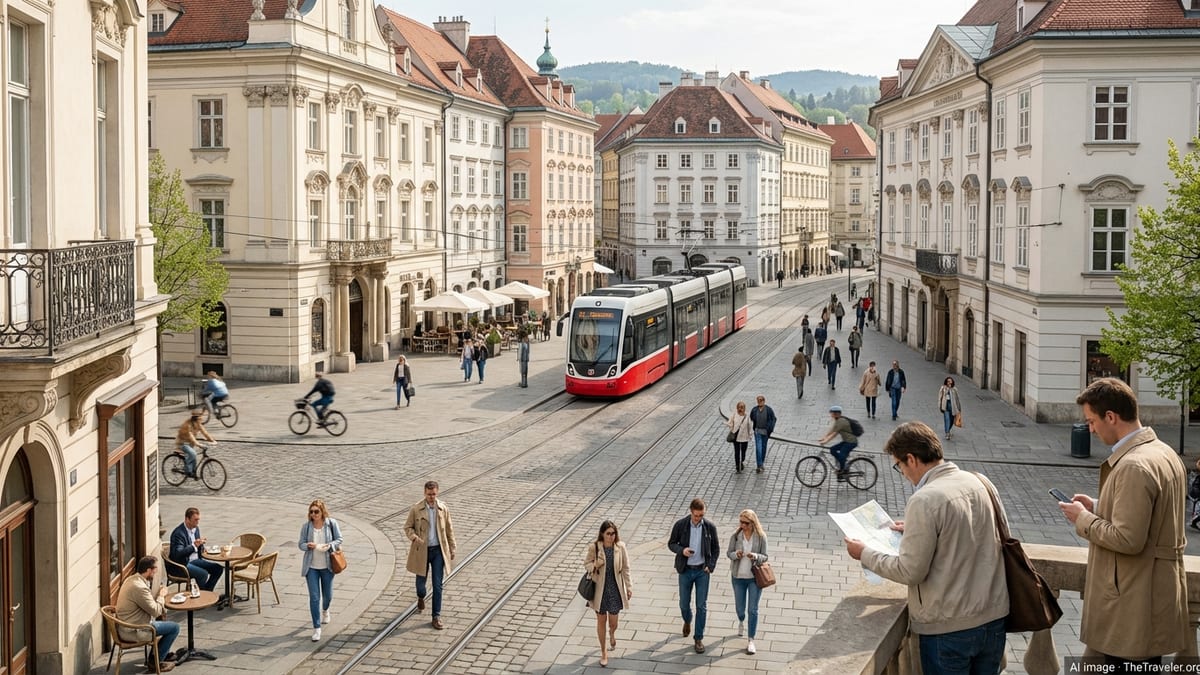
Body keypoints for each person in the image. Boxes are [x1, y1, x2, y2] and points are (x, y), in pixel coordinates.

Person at [844, 421, 1009, 675]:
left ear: (911, 459)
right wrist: (916, 530)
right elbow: (990, 537)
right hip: (994, 619)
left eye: (899, 466)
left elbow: (910, 571)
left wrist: (864, 553)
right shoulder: (980, 482)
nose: (903, 474)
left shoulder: (925, 500)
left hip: (949, 628)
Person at [1057, 378, 1188, 669]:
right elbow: (1153, 518)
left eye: (1092, 421)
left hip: (1132, 605)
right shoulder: (1164, 453)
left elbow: (1129, 539)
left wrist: (1084, 519)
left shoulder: (1133, 465)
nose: (1089, 429)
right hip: (1153, 598)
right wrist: (1098, 506)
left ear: (1111, 417)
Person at [667, 498, 719, 654]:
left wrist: (711, 566)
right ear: (691, 512)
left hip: (702, 571)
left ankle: (698, 638)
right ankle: (687, 620)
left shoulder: (709, 527)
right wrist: (681, 550)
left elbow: (716, 549)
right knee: (684, 604)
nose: (698, 518)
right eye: (696, 515)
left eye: (701, 515)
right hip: (686, 570)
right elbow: (671, 543)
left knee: (701, 606)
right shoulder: (680, 525)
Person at [404, 480, 457, 630]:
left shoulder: (443, 508)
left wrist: (452, 548)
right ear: (424, 493)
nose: (431, 497)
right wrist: (414, 537)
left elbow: (449, 529)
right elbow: (407, 527)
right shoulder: (416, 509)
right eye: (429, 494)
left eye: (434, 494)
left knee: (438, 585)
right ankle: (421, 596)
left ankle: (436, 616)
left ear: (437, 492)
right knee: (421, 584)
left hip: (438, 551)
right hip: (422, 551)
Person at [116, 556, 180, 672]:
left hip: (127, 624)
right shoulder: (139, 588)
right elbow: (155, 611)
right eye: (155, 570)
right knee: (175, 628)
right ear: (149, 570)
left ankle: (160, 652)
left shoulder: (132, 579)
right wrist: (161, 595)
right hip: (134, 630)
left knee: (163, 618)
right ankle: (155, 662)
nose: (155, 573)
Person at [584, 520, 633, 668]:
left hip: (615, 589)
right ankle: (604, 652)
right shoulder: (595, 547)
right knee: (601, 620)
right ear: (602, 534)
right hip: (600, 590)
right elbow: (587, 564)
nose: (611, 536)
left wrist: (629, 587)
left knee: (613, 622)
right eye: (608, 534)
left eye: (613, 533)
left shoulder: (620, 547)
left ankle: (612, 633)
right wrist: (596, 565)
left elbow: (626, 568)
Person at [298, 499, 343, 641]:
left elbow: (339, 539)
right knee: (314, 597)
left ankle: (326, 609)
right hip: (311, 567)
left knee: (327, 596)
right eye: (311, 512)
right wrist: (308, 546)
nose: (314, 514)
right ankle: (316, 628)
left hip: (327, 566)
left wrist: (329, 546)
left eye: (316, 511)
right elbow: (301, 544)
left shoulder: (331, 524)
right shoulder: (306, 527)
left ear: (322, 511)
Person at [727, 509, 769, 655]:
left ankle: (751, 640)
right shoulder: (736, 536)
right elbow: (729, 553)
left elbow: (765, 556)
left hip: (754, 578)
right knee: (740, 608)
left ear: (752, 523)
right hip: (738, 577)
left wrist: (756, 556)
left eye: (746, 523)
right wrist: (735, 555)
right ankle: (740, 620)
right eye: (741, 522)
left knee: (753, 609)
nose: (742, 525)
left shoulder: (761, 537)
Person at [169, 507, 224, 593]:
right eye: (195, 520)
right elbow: (178, 554)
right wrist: (193, 546)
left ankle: (207, 592)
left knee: (218, 569)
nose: (197, 522)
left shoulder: (195, 528)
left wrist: (202, 547)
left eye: (198, 520)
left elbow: (198, 545)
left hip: (195, 560)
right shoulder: (178, 534)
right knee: (203, 574)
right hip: (183, 564)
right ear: (187, 519)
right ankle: (202, 596)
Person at [818, 406, 858, 481]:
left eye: (832, 413)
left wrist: (825, 441)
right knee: (833, 449)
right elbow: (832, 430)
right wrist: (824, 437)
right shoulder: (838, 420)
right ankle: (841, 470)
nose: (831, 415)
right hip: (847, 441)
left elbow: (834, 434)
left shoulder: (841, 421)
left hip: (851, 442)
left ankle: (843, 470)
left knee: (841, 456)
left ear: (837, 413)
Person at [175, 410, 215, 479]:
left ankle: (193, 473)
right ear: (195, 418)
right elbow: (191, 437)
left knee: (194, 457)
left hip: (190, 444)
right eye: (200, 418)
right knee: (193, 454)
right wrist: (199, 444)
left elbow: (205, 432)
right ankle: (187, 469)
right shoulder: (188, 425)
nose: (201, 420)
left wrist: (212, 440)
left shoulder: (198, 424)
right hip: (182, 443)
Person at [748, 396, 776, 474]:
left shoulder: (769, 410)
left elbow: (773, 419)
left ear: (764, 401)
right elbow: (751, 419)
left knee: (763, 448)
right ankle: (759, 465)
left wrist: (770, 429)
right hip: (757, 432)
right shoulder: (754, 410)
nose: (760, 402)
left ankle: (761, 462)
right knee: (758, 448)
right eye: (758, 401)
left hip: (765, 432)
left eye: (761, 400)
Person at [727, 401, 753, 473]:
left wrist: (750, 435)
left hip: (744, 437)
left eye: (742, 407)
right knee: (737, 451)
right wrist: (730, 426)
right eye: (739, 407)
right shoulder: (734, 415)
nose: (740, 409)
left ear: (744, 408)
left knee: (743, 451)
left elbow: (750, 426)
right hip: (736, 436)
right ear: (737, 408)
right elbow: (730, 422)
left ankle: (742, 460)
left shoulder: (747, 416)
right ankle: (738, 466)